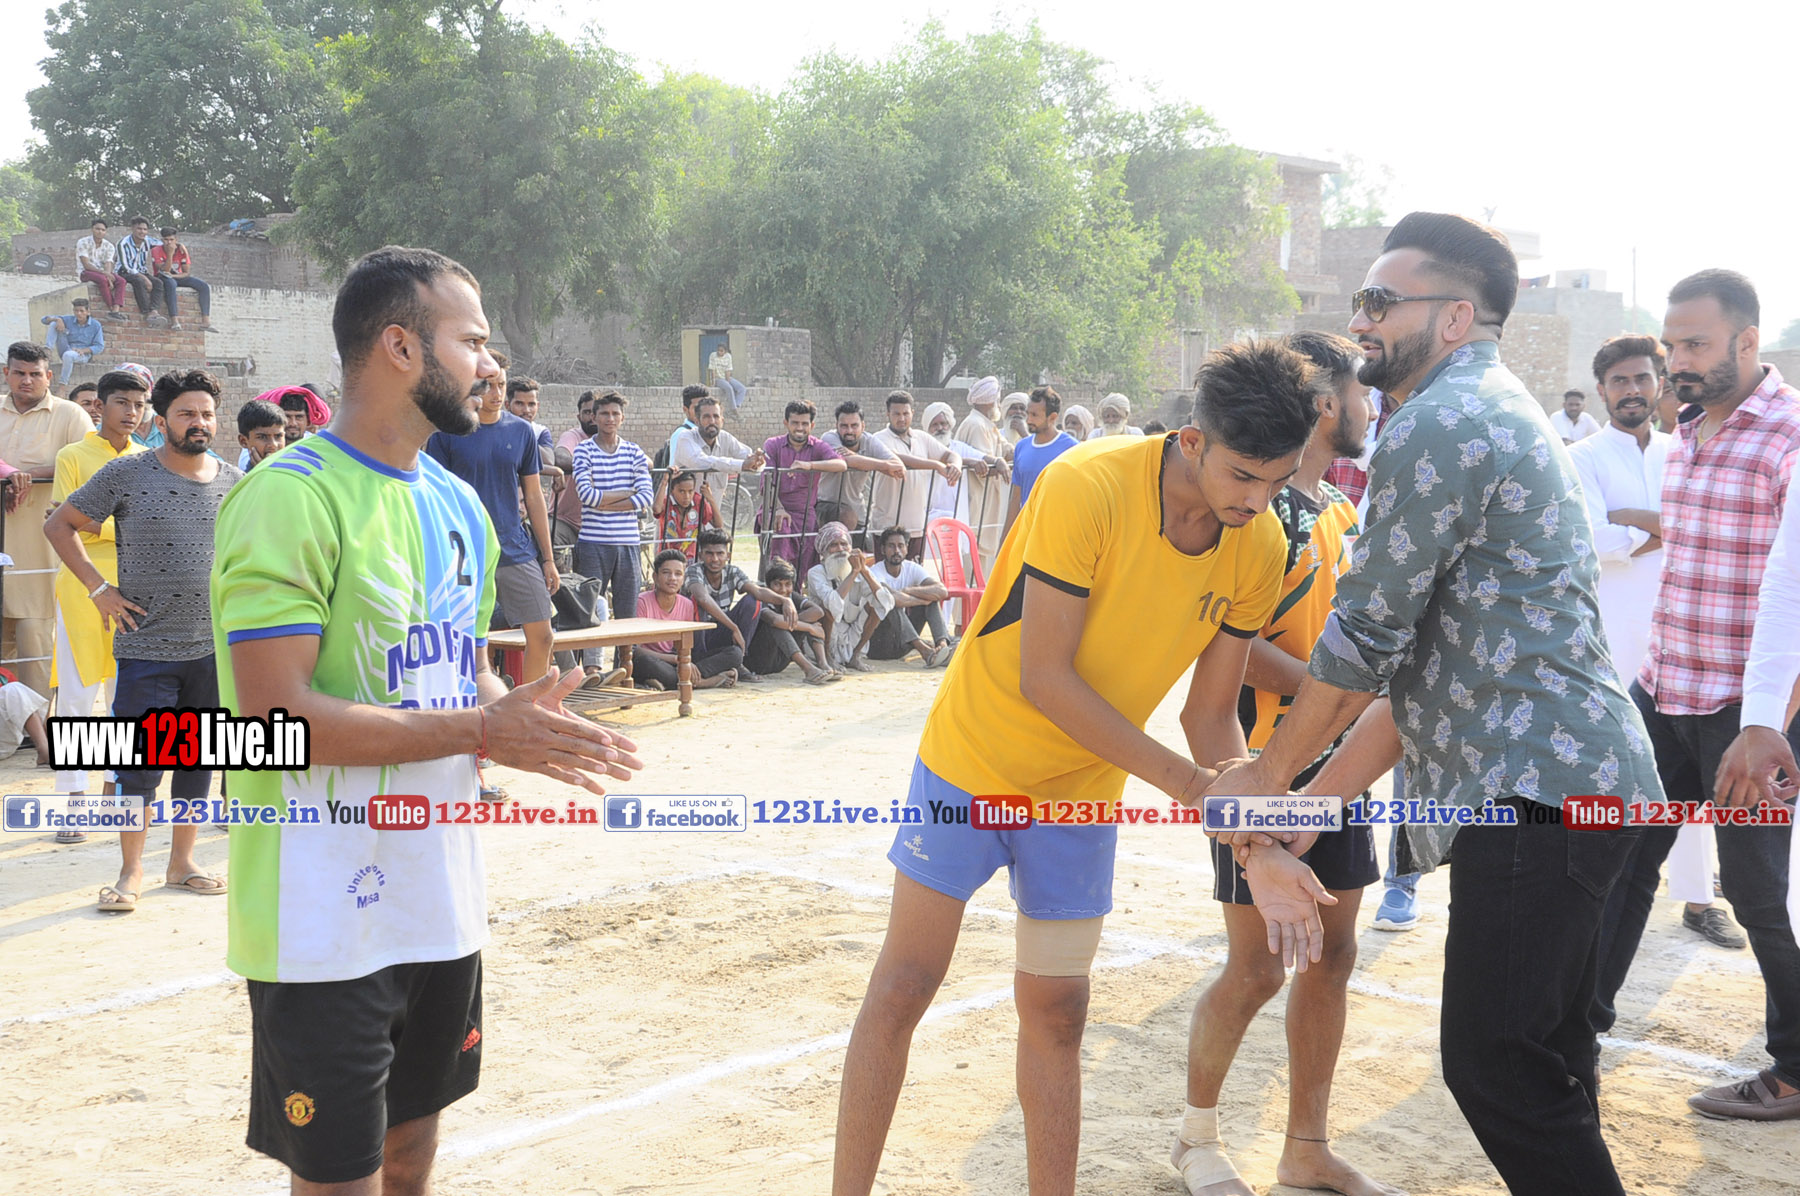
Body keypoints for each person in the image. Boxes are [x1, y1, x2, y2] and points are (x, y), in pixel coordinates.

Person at [1201, 214, 1659, 1196]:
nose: (1360, 320)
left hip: (1540, 793)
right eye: (1358, 299)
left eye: (1380, 300)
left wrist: (1269, 776)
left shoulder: (1440, 423)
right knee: (1547, 1063)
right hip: (1582, 784)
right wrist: (1312, 802)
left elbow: (1364, 638)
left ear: (1455, 317)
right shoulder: (1484, 407)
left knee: (1496, 1064)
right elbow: (1421, 675)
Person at [833, 339, 1320, 1196]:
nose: (1258, 499)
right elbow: (1046, 679)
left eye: (1277, 481)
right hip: (972, 759)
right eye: (1244, 475)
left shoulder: (1260, 541)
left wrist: (1255, 839)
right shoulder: (1087, 484)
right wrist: (1197, 791)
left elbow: (1210, 716)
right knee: (905, 985)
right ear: (1194, 441)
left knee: (1059, 1011)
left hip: (1084, 790)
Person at [209, 244, 640, 1191]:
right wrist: (483, 732)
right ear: (401, 347)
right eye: (472, 342)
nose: (490, 365)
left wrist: (518, 718)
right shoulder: (289, 498)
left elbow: (461, 669)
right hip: (319, 913)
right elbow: (278, 718)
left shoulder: (457, 505)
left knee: (412, 1157)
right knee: (341, 1177)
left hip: (438, 896)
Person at [1179, 330, 1392, 1196]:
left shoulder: (1341, 507)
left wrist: (1351, 714)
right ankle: (1196, 1138)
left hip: (1346, 768)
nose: (1371, 407)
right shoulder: (1256, 518)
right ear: (1327, 402)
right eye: (1362, 391)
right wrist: (1330, 697)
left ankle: (1306, 1147)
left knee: (1333, 955)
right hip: (1261, 764)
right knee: (1259, 966)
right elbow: (1229, 654)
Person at [1609, 269, 1800, 1123]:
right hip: (1665, 693)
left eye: (1695, 345)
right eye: (1671, 345)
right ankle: (1576, 1028)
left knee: (1760, 893)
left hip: (1751, 719)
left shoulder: (1789, 438)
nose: (1676, 361)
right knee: (1618, 860)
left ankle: (1795, 1070)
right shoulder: (1686, 430)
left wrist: (1768, 722)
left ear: (1747, 341)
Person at [1572, 335, 1744, 971]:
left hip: (1690, 635)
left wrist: (1636, 518)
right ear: (1602, 390)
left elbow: (1709, 530)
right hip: (1613, 636)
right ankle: (1600, 896)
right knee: (1617, 773)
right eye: (1619, 381)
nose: (1632, 391)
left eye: (1642, 379)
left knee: (1691, 775)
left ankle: (1699, 899)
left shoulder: (1685, 450)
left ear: (1660, 385)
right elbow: (1593, 540)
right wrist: (1669, 525)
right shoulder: (1583, 457)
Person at [46, 368, 243, 913]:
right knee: (139, 767)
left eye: (206, 414)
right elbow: (59, 525)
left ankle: (182, 863)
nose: (199, 422)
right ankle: (130, 871)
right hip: (145, 647)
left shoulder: (234, 480)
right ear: (162, 420)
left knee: (198, 762)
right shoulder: (127, 473)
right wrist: (99, 589)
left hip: (211, 649)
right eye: (186, 413)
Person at [45, 370, 148, 843]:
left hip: (136, 588)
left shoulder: (148, 460)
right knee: (77, 693)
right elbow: (60, 522)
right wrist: (111, 527)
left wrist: (95, 524)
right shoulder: (73, 456)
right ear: (99, 406)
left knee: (125, 693)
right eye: (122, 402)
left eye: (139, 404)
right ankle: (72, 799)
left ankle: (113, 791)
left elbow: (130, 527)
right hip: (82, 585)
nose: (131, 412)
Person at [427, 358, 561, 687]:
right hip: (462, 552)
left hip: (514, 547)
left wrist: (548, 558)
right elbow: (433, 495)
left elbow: (534, 496)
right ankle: (477, 707)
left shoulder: (521, 431)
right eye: (488, 386)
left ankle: (531, 706)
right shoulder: (447, 433)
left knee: (543, 634)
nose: (496, 393)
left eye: (501, 385)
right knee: (472, 643)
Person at [1, 341, 94, 696]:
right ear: (6, 373)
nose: (26, 380)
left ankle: (37, 722)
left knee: (35, 645)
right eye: (19, 373)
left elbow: (85, 464)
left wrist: (29, 475)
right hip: (3, 540)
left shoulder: (70, 415)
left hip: (40, 552)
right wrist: (8, 477)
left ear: (49, 376)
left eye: (35, 374)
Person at [571, 390, 652, 680]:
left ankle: (624, 671)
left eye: (615, 413)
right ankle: (589, 671)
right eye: (604, 413)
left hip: (628, 543)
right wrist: (626, 493)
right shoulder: (584, 450)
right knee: (589, 608)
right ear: (594, 417)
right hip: (593, 542)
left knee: (627, 611)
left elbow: (645, 498)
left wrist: (605, 500)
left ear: (622, 418)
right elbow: (586, 495)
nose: (609, 418)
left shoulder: (633, 451)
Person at [867, 391, 961, 561]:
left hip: (916, 526)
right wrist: (935, 465)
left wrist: (955, 465)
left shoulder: (922, 437)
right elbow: (897, 459)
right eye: (896, 414)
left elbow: (950, 454)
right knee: (886, 574)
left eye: (906, 413)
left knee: (916, 573)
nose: (901, 418)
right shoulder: (878, 439)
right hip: (887, 526)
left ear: (912, 413)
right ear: (887, 414)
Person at [760, 399, 846, 577]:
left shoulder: (817, 446)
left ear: (812, 425)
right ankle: (775, 591)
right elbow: (766, 482)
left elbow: (841, 465)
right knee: (779, 555)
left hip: (806, 513)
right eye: (795, 423)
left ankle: (798, 593)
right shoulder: (773, 445)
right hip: (775, 508)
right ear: (786, 423)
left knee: (804, 564)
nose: (800, 428)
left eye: (804, 424)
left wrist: (809, 465)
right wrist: (778, 509)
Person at [635, 549, 738, 690]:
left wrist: (684, 662)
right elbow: (637, 650)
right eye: (666, 573)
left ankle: (679, 679)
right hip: (655, 660)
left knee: (735, 654)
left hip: (677, 660)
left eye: (678, 574)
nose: (672, 578)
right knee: (644, 662)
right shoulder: (642, 602)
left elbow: (685, 645)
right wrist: (676, 660)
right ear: (655, 577)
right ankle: (704, 682)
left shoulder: (687, 604)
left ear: (683, 578)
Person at [805, 522, 897, 673]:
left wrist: (864, 571)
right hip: (825, 637)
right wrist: (854, 573)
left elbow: (886, 603)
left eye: (844, 544)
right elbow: (833, 604)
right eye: (833, 545)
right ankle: (827, 658)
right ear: (824, 551)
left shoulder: (860, 569)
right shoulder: (816, 572)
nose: (840, 549)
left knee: (876, 604)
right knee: (826, 609)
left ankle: (855, 656)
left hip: (852, 634)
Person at [864, 526, 954, 668]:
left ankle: (942, 646)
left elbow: (942, 591)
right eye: (891, 546)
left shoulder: (912, 568)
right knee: (890, 603)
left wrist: (908, 590)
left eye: (901, 546)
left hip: (904, 642)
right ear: (882, 550)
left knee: (932, 599)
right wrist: (922, 600)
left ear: (906, 549)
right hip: (879, 646)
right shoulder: (876, 572)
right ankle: (925, 651)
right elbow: (894, 599)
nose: (896, 551)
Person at [816, 400, 903, 545]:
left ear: (863, 426)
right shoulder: (829, 438)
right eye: (844, 426)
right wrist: (883, 465)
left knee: (867, 549)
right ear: (836, 426)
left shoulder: (869, 441)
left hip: (857, 509)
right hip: (826, 505)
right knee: (846, 518)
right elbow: (845, 462)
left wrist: (858, 458)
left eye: (854, 425)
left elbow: (898, 466)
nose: (849, 431)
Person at [743, 559, 838, 683]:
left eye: (788, 584)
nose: (783, 590)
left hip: (780, 662)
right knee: (778, 625)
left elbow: (818, 611)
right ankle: (808, 669)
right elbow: (775, 620)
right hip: (758, 661)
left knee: (810, 619)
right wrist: (809, 628)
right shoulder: (762, 598)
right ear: (768, 586)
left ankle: (823, 664)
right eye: (777, 584)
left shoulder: (792, 596)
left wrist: (795, 623)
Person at [1003, 385, 1078, 539]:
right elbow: (1016, 498)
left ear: (1052, 417)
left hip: (1058, 535)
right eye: (1028, 413)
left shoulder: (1071, 448)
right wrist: (1004, 541)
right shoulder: (1022, 447)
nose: (1028, 419)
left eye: (1035, 415)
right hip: (1027, 533)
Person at [954, 377, 1013, 566]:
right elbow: (984, 465)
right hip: (976, 500)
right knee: (973, 557)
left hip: (986, 500)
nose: (999, 403)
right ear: (989, 401)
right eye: (997, 399)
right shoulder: (976, 425)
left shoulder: (987, 424)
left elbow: (1007, 450)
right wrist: (999, 465)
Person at [672, 392, 765, 495]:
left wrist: (757, 461)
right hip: (682, 505)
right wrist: (742, 465)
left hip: (714, 505)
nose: (712, 421)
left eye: (716, 416)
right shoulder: (685, 437)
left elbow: (748, 456)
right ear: (697, 421)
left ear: (722, 421)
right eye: (706, 417)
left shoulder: (725, 438)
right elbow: (699, 461)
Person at [922, 401, 992, 533]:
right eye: (935, 425)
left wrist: (999, 462)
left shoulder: (959, 448)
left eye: (943, 423)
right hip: (929, 515)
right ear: (928, 428)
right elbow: (936, 460)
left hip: (957, 514)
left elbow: (984, 458)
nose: (940, 428)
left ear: (950, 425)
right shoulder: (923, 448)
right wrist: (967, 462)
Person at [150, 226, 212, 331]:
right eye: (166, 240)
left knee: (203, 286)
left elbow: (186, 272)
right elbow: (165, 270)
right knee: (171, 284)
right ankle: (174, 320)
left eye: (171, 240)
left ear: (176, 240)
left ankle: (206, 321)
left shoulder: (181, 250)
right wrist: (170, 254)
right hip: (162, 277)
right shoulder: (156, 250)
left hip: (176, 276)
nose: (169, 242)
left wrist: (174, 276)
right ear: (162, 240)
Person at [654, 469, 719, 560]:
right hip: (669, 559)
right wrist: (664, 482)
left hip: (692, 559)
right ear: (672, 490)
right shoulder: (667, 502)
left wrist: (711, 499)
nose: (687, 496)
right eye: (681, 491)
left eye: (690, 491)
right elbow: (656, 509)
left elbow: (718, 525)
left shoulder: (698, 501)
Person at [41, 298, 105, 385]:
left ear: (88, 312)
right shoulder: (68, 319)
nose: (78, 313)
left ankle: (63, 385)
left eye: (81, 311)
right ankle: (48, 350)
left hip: (82, 354)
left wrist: (83, 350)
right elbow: (43, 319)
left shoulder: (95, 325)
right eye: (76, 311)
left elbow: (99, 346)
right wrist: (57, 319)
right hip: (66, 348)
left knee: (68, 355)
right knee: (54, 323)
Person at [75, 219, 127, 318]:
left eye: (103, 230)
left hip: (103, 272)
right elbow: (86, 264)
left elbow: (108, 263)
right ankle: (110, 307)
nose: (100, 232)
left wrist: (108, 276)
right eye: (97, 229)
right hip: (86, 272)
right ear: (92, 229)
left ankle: (116, 310)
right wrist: (105, 274)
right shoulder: (83, 242)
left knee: (121, 281)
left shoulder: (109, 246)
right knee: (102, 279)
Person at [115, 217, 163, 322]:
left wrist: (179, 246)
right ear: (132, 228)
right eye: (139, 229)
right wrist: (145, 278)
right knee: (139, 281)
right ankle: (146, 312)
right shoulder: (123, 244)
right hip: (124, 272)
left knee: (158, 283)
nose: (142, 232)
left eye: (145, 229)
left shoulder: (147, 240)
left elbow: (163, 244)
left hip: (141, 271)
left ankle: (154, 311)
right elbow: (126, 266)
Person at [236, 399, 288, 471]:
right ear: (243, 441)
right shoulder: (242, 477)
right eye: (263, 437)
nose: (273, 444)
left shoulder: (298, 471)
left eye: (278, 436)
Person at [708, 340, 747, 408]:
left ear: (725, 351)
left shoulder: (728, 356)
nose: (719, 352)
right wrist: (713, 383)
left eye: (721, 351)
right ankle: (734, 409)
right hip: (718, 379)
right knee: (729, 388)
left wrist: (728, 380)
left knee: (742, 388)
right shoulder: (713, 355)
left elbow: (728, 370)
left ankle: (737, 405)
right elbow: (712, 370)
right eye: (718, 350)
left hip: (726, 377)